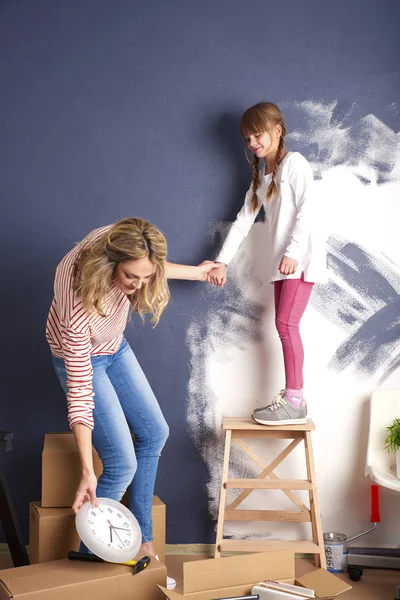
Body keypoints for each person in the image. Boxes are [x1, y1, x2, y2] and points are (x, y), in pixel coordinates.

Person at [46, 217, 218, 587]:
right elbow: (80, 395)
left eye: (145, 278)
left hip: (113, 347)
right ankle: (89, 568)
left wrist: (200, 273)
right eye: (130, 279)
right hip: (81, 357)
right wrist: (86, 472)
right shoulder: (76, 301)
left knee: (155, 433)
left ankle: (143, 541)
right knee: (121, 465)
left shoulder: (123, 240)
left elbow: (150, 264)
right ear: (109, 266)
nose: (139, 287)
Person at [208, 102, 326, 426]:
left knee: (286, 325)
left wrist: (294, 252)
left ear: (277, 130)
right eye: (247, 139)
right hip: (283, 264)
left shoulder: (295, 164)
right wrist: (221, 262)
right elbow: (243, 221)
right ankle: (292, 398)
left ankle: (295, 400)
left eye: (257, 135)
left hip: (297, 260)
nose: (252, 144)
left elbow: (308, 210)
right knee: (283, 325)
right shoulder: (263, 178)